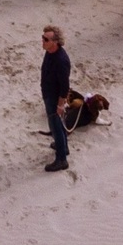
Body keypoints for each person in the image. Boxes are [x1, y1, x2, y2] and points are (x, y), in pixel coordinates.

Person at [40, 26, 71, 172]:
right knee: (57, 124)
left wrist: (60, 105)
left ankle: (61, 159)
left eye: (46, 39)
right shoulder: (49, 52)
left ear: (55, 42)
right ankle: (63, 148)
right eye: (43, 37)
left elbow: (65, 86)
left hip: (54, 96)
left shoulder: (61, 60)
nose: (43, 41)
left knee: (56, 126)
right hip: (48, 93)